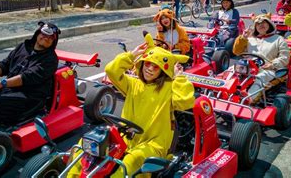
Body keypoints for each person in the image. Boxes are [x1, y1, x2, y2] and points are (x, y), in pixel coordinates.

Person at [68, 33, 195, 177]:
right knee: (87, 143)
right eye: (148, 63)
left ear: (163, 71)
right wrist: (131, 55)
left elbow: (184, 102)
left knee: (132, 160)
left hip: (154, 144)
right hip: (126, 136)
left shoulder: (169, 88)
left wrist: (179, 78)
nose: (150, 69)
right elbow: (111, 70)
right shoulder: (133, 84)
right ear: (142, 63)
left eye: (156, 67)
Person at [232, 14, 290, 104]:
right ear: (255, 27)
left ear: (269, 24)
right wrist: (243, 38)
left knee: (258, 79)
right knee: (229, 72)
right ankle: (221, 93)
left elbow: (285, 57)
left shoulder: (278, 39)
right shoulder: (250, 39)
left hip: (267, 68)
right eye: (258, 24)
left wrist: (272, 64)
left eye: (263, 23)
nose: (261, 25)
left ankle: (247, 100)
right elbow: (236, 52)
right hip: (247, 67)